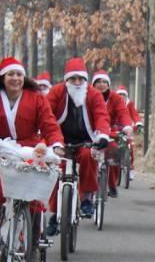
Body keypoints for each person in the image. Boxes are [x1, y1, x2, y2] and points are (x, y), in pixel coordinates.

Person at [0, 56, 66, 257]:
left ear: (24, 77)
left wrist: (56, 144)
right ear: (3, 77)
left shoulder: (36, 97)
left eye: (19, 74)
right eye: (11, 74)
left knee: (32, 196)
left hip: (28, 151)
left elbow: (49, 123)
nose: (16, 78)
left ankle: (31, 245)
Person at [45, 57, 111, 224]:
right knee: (56, 171)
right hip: (60, 140)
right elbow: (47, 115)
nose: (76, 82)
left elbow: (101, 116)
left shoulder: (94, 95)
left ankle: (87, 197)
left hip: (86, 140)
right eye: (72, 79)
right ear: (66, 80)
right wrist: (50, 140)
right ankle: (55, 212)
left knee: (89, 156)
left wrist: (102, 135)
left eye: (80, 78)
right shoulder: (56, 92)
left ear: (85, 80)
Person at [90, 70, 133, 198]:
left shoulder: (116, 98)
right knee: (88, 158)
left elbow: (123, 112)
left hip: (110, 131)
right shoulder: (88, 95)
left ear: (108, 84)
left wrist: (127, 126)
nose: (102, 84)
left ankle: (112, 184)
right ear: (93, 84)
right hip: (91, 131)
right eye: (98, 82)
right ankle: (87, 189)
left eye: (104, 82)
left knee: (114, 152)